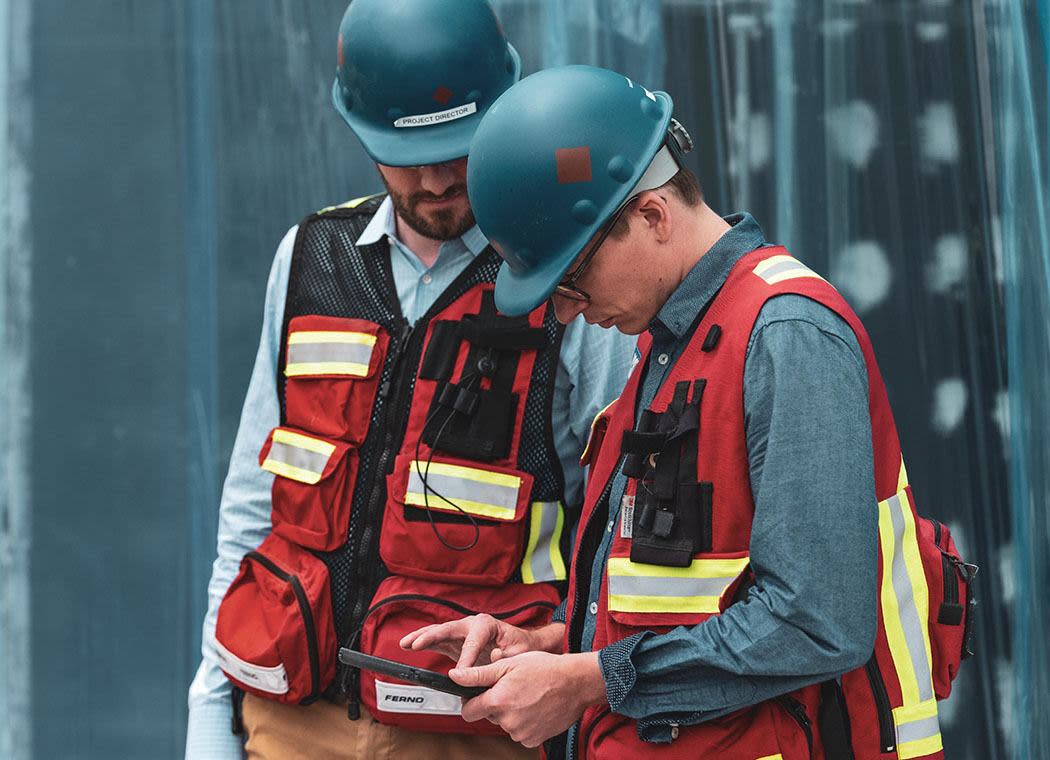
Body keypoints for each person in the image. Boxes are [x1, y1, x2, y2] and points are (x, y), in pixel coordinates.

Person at [402, 65, 963, 759]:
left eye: (570, 281)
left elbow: (817, 623)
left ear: (652, 216)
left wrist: (588, 680)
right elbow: (694, 595)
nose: (568, 314)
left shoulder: (786, 335)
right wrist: (556, 642)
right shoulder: (673, 346)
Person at [185, 9, 634, 758]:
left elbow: (616, 522)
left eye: (455, 148)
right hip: (287, 717)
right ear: (360, 130)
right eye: (405, 153)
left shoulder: (566, 280)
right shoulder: (310, 256)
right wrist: (210, 707)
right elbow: (252, 503)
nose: (434, 179)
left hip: (472, 728)